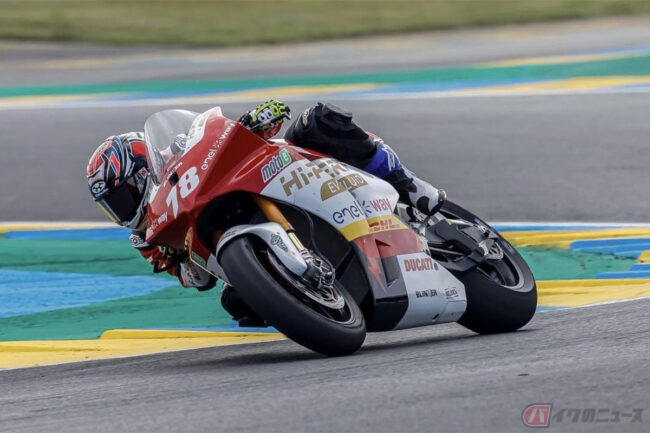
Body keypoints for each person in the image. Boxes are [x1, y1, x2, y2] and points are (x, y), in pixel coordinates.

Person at [86, 100, 446, 326]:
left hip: (275, 174)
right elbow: (198, 281)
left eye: (123, 198)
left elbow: (218, 138)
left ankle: (407, 183)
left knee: (318, 121)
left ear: (141, 172)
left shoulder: (178, 149)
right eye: (113, 207)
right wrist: (183, 262)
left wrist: (253, 122)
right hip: (239, 239)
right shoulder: (149, 237)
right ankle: (318, 307)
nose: (123, 211)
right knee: (237, 304)